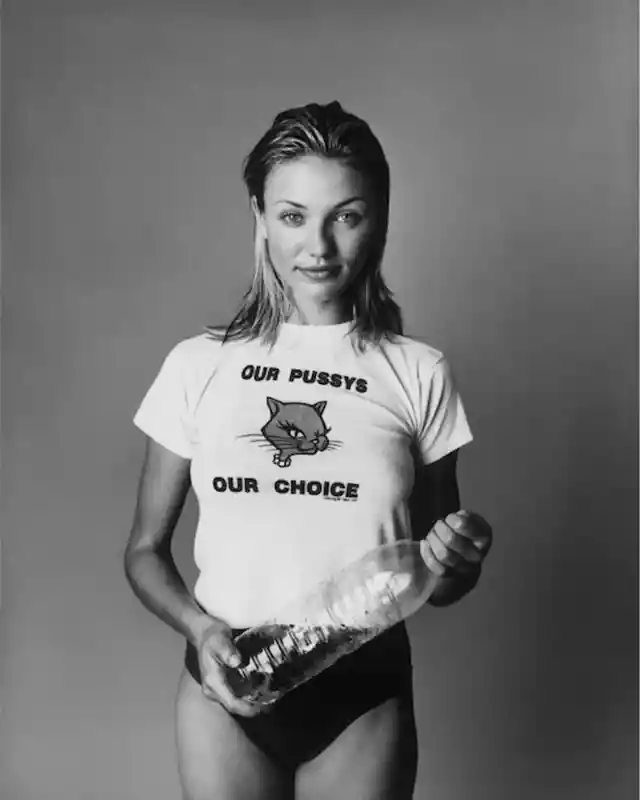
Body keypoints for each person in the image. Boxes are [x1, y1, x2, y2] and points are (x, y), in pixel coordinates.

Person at [124, 100, 493, 800]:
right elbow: (143, 551)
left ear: (379, 219)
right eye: (293, 216)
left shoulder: (418, 372)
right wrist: (199, 630)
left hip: (363, 690)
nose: (318, 246)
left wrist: (461, 556)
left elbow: (440, 579)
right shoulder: (196, 365)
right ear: (260, 216)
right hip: (227, 681)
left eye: (345, 216)